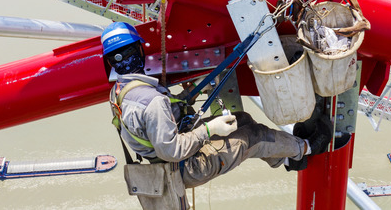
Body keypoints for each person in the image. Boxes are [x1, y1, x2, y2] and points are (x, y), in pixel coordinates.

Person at [102, 22, 332, 209]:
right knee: (252, 137)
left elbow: (152, 122)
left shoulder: (121, 91)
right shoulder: (152, 101)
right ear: (140, 50)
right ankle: (308, 147)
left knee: (241, 119)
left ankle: (286, 157)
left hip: (167, 157)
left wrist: (187, 95)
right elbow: (171, 151)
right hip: (185, 166)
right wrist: (210, 130)